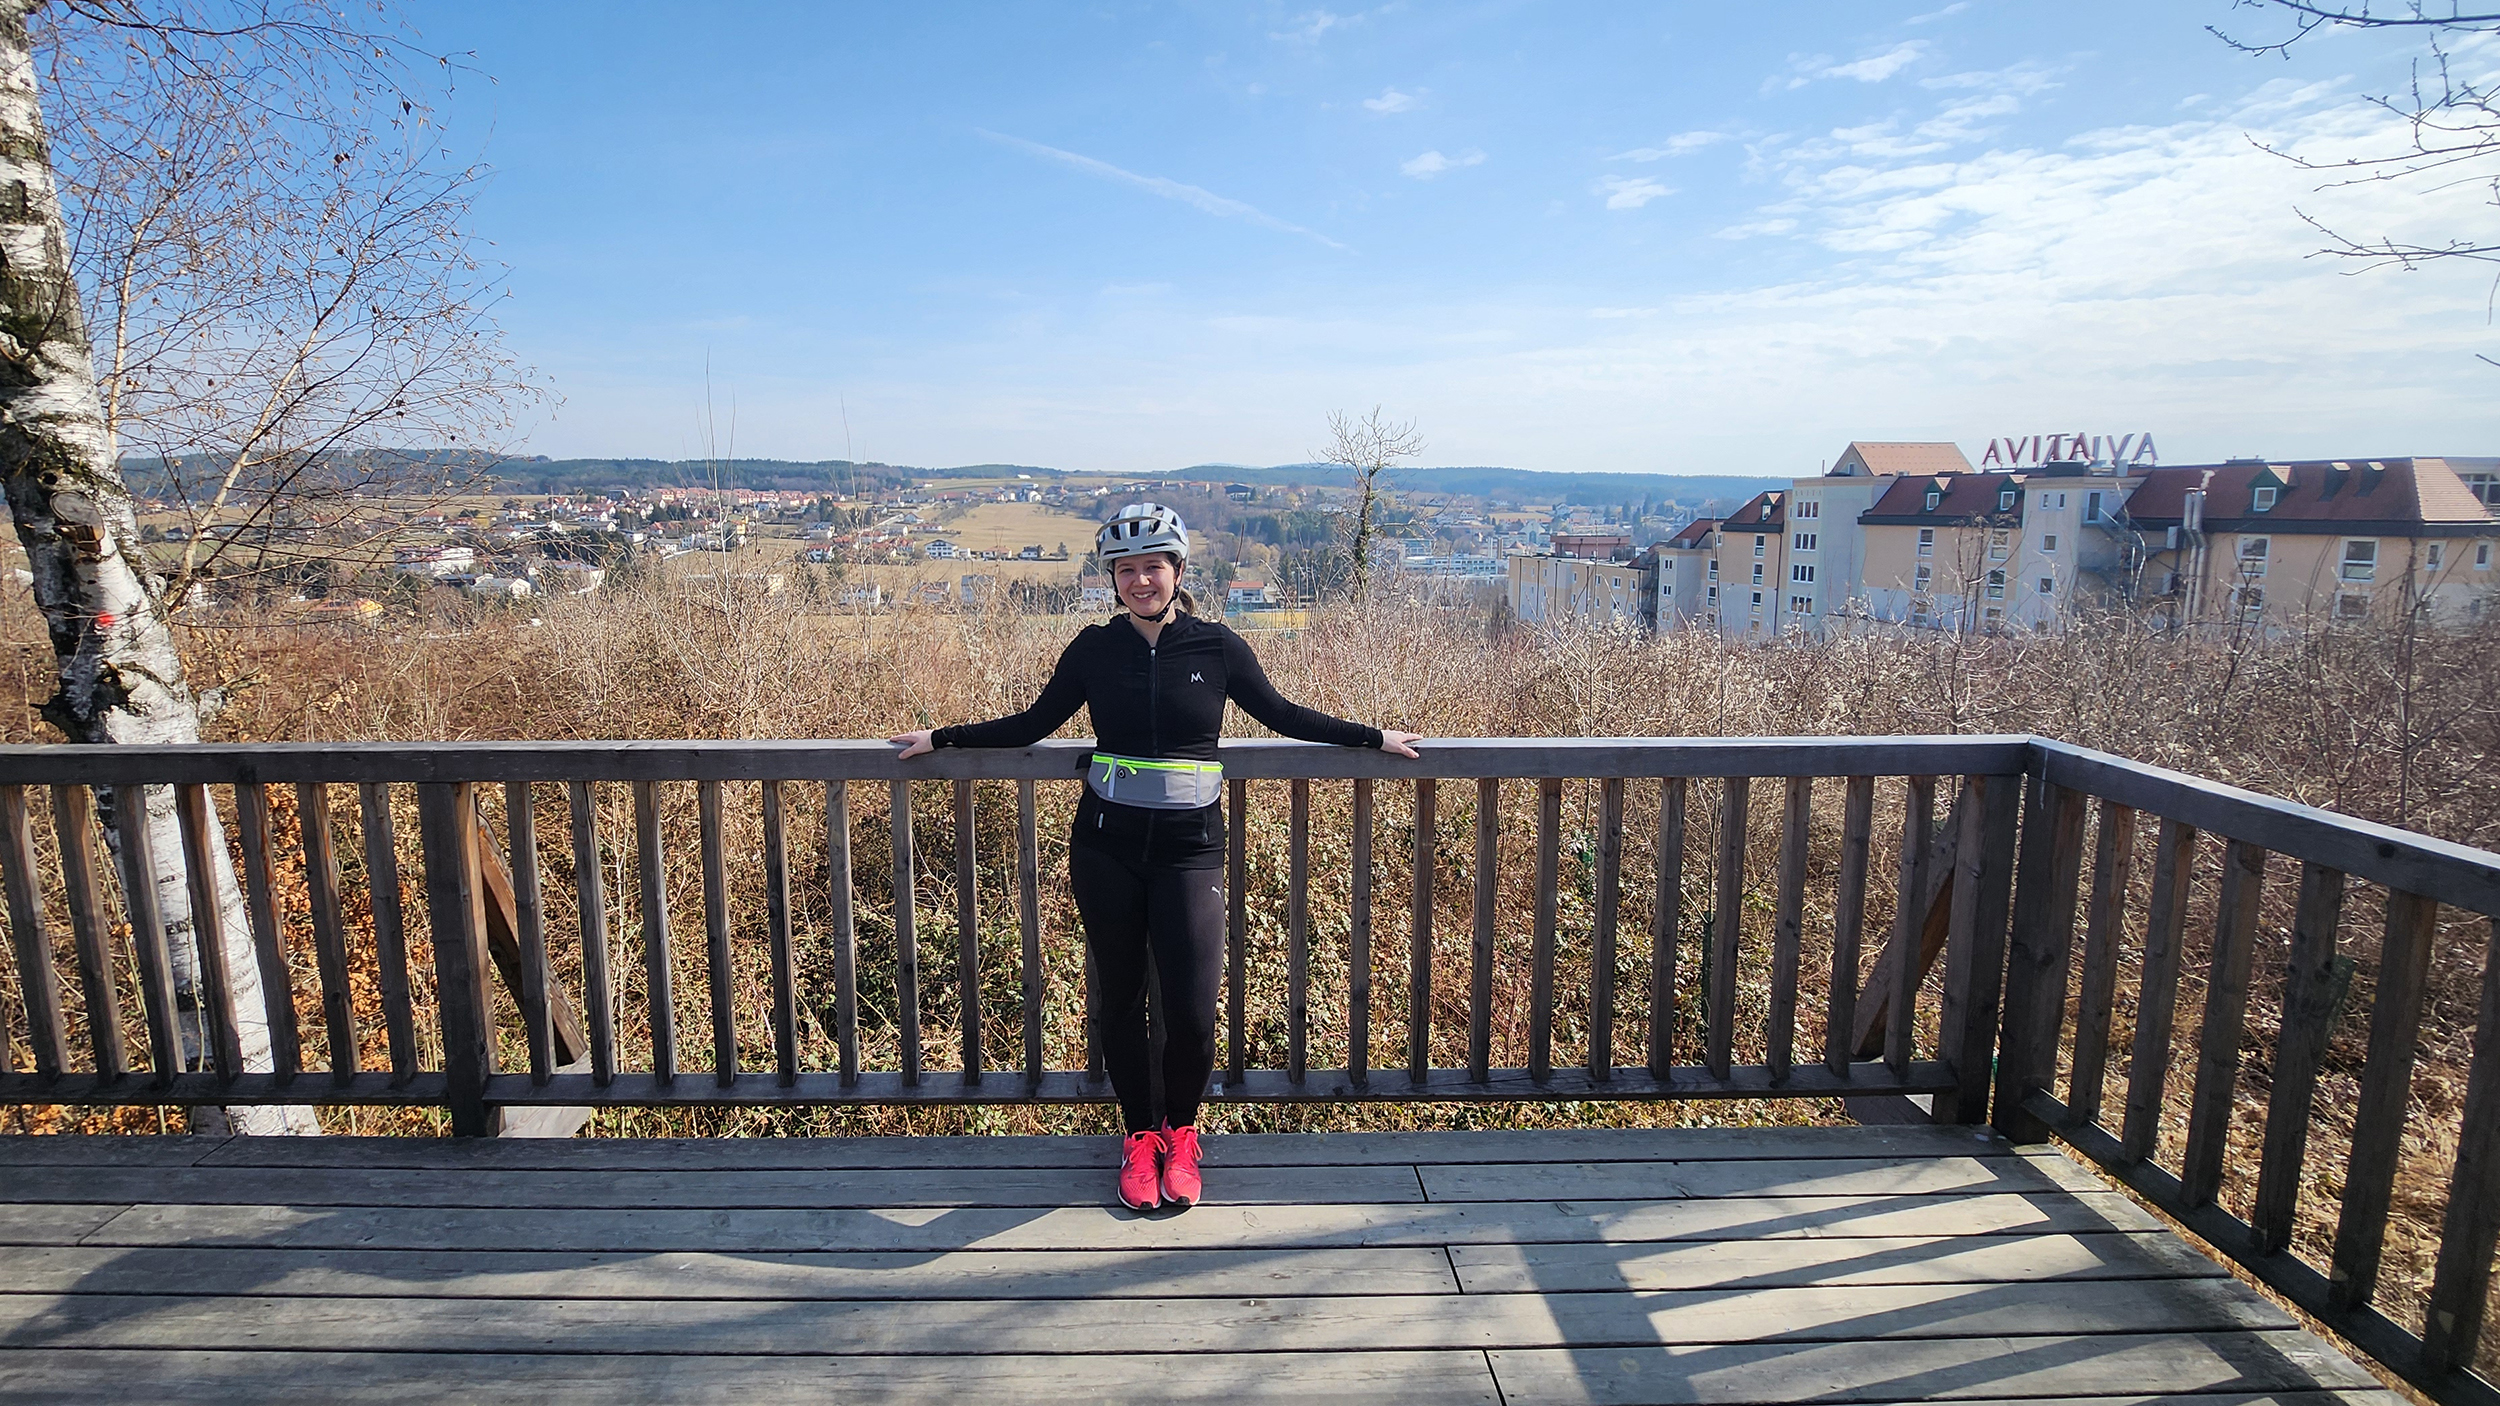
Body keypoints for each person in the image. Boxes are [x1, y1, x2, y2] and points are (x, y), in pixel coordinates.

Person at [892, 502, 1421, 1212]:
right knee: (1120, 1000)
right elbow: (1030, 724)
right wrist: (945, 737)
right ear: (1114, 579)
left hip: (1190, 851)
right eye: (1128, 570)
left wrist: (1372, 737)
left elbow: (1286, 714)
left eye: (1154, 567)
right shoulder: (1092, 649)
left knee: (1194, 1012)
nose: (1142, 580)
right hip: (1106, 847)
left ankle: (1182, 1131)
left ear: (1177, 572)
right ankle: (1139, 1136)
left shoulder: (1217, 648)